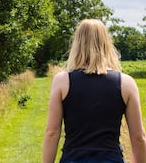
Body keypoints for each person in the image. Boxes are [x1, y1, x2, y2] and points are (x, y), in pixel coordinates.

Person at [42, 19, 146, 163]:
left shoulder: (62, 81)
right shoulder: (126, 83)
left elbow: (52, 133)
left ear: (77, 43)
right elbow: (138, 137)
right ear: (106, 43)